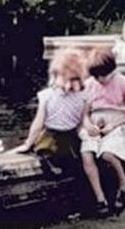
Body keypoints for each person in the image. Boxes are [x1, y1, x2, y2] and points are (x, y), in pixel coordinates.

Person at [14, 48, 91, 186]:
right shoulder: (51, 96)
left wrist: (28, 144)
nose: (68, 85)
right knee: (54, 151)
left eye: (72, 79)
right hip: (60, 136)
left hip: (61, 137)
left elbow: (39, 124)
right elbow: (39, 122)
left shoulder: (78, 96)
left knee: (56, 151)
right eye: (65, 79)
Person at [80, 47, 125, 215]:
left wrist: (114, 124)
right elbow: (84, 115)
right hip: (96, 124)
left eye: (102, 76)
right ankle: (100, 198)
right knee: (87, 153)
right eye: (96, 76)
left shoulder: (124, 83)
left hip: (119, 123)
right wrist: (88, 125)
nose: (99, 80)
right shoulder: (90, 85)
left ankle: (123, 182)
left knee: (107, 153)